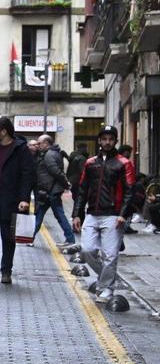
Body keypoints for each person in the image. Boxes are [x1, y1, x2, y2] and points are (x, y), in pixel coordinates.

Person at [74, 125, 138, 307]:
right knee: (87, 250)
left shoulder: (124, 163)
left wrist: (123, 215)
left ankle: (107, 287)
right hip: (92, 214)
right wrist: (76, 214)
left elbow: (129, 191)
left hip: (113, 215)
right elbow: (82, 190)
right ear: (99, 141)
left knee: (110, 255)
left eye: (111, 139)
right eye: (104, 139)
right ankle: (107, 279)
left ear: (115, 141)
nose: (107, 142)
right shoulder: (90, 163)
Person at [0, 116, 34, 285]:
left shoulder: (20, 149)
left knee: (7, 236)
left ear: (4, 131)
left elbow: (28, 174)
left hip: (9, 198)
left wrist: (25, 198)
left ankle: (6, 270)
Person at [32, 133, 77, 247]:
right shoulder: (54, 153)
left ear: (46, 144)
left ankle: (29, 238)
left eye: (39, 143)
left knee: (54, 215)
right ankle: (29, 238)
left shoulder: (49, 155)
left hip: (50, 191)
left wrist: (66, 184)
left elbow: (56, 172)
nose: (38, 145)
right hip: (51, 190)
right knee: (44, 214)